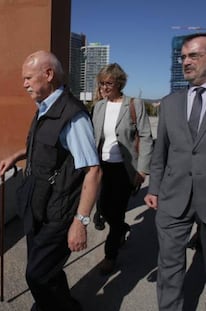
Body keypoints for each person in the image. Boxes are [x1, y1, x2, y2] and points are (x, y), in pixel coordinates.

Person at [0, 50, 101, 311]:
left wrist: (81, 221)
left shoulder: (73, 115)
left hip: (59, 211)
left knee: (37, 275)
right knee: (47, 269)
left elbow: (93, 171)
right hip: (37, 205)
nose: (24, 84)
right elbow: (47, 147)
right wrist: (17, 155)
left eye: (28, 78)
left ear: (49, 74)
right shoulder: (44, 108)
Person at [144, 33, 206, 311]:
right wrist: (154, 188)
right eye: (183, 57)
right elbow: (161, 153)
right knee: (169, 267)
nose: (186, 62)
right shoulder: (170, 103)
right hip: (172, 198)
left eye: (194, 55)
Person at [92, 63, 153, 275]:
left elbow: (146, 137)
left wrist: (142, 171)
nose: (104, 87)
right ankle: (122, 229)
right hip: (102, 167)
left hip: (124, 169)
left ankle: (110, 256)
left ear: (119, 83)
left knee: (115, 212)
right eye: (101, 83)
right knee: (104, 209)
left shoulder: (134, 104)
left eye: (108, 83)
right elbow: (94, 138)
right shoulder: (99, 106)